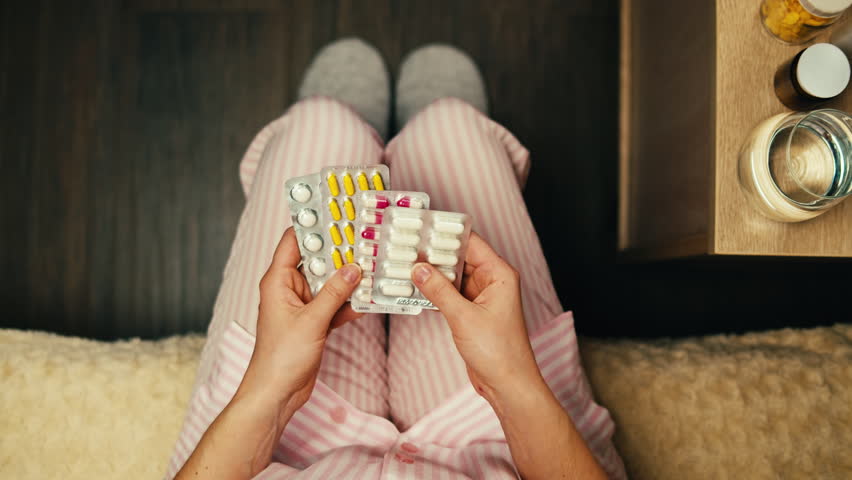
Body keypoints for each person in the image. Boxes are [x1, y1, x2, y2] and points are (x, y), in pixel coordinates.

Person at [165, 38, 626, 479]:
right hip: (502, 442)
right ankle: (412, 134)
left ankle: (351, 128)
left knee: (321, 124)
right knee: (450, 126)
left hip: (273, 445)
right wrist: (511, 382)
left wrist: (270, 387)